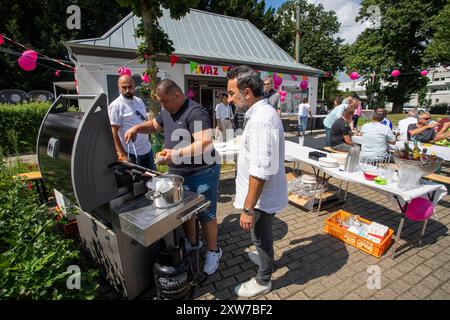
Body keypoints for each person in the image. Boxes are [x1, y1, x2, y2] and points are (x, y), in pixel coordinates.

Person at [124, 79, 222, 275]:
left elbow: (204, 143)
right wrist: (137, 128)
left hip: (202, 172)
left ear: (177, 95)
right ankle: (193, 243)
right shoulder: (167, 110)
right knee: (184, 211)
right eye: (160, 102)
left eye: (164, 101)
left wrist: (175, 154)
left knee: (206, 213)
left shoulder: (196, 112)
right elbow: (154, 125)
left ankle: (213, 252)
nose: (162, 106)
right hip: (178, 174)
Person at [227, 65, 288, 297]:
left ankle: (264, 279)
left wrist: (247, 208)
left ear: (248, 93)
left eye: (233, 94)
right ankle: (267, 260)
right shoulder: (261, 115)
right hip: (261, 195)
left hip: (261, 198)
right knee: (264, 235)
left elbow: (260, 170)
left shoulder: (262, 120)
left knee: (260, 236)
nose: (230, 99)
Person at [108, 75, 156, 170]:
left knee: (153, 180)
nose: (127, 90)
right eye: (124, 87)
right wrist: (124, 156)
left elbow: (144, 122)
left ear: (134, 86)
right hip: (131, 153)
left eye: (130, 87)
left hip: (147, 150)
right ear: (119, 87)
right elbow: (114, 133)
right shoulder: (115, 106)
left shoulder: (140, 101)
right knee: (137, 183)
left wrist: (149, 143)